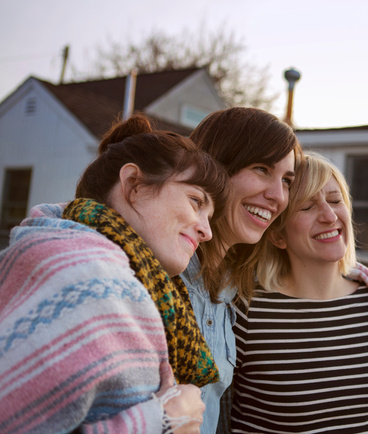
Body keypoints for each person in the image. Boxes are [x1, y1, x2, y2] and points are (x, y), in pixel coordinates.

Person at [0, 113, 231, 433]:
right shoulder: (92, 283)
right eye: (196, 201)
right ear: (133, 185)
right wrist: (164, 421)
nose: (206, 230)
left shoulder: (79, 262)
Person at [229, 152, 368, 433]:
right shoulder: (247, 312)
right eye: (307, 207)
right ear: (277, 235)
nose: (329, 215)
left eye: (336, 201)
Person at [178, 107, 300, 433]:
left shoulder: (231, 289)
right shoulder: (152, 270)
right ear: (213, 166)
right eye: (261, 169)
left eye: (287, 181)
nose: (278, 196)